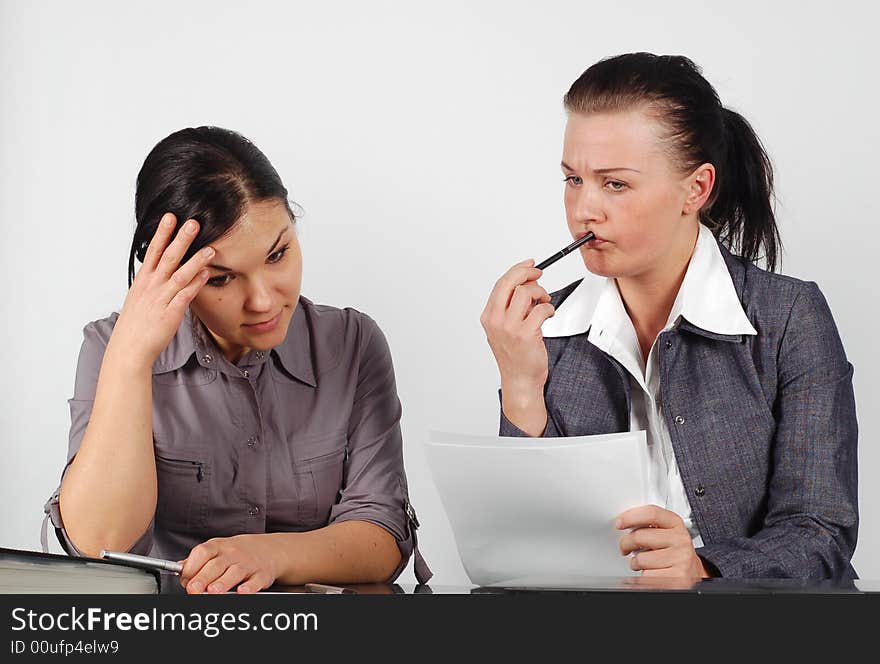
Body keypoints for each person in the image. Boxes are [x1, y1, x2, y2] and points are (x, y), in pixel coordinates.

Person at [480, 53, 858, 580]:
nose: (584, 209)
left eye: (615, 184)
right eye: (573, 180)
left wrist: (704, 569)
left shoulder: (788, 318)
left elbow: (821, 531)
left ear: (696, 189)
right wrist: (519, 382)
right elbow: (520, 544)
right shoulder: (547, 330)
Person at [43, 126, 431, 592]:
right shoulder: (110, 349)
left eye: (279, 254)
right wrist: (131, 358)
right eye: (222, 279)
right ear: (165, 268)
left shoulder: (352, 345)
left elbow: (382, 535)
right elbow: (97, 544)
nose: (264, 301)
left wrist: (271, 554)